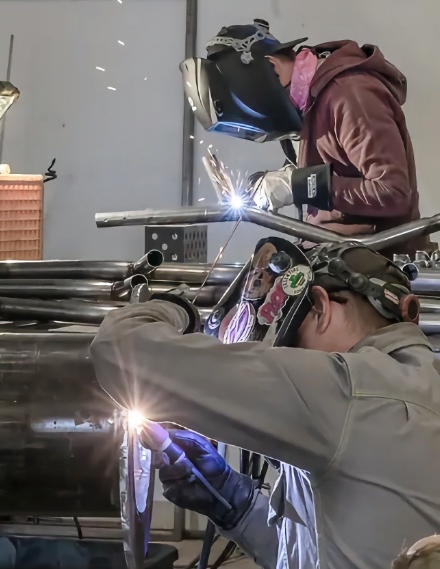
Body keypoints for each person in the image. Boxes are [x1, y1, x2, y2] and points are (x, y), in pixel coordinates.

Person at [90, 241, 440, 569]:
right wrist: (232, 502)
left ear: (319, 306)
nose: (291, 355)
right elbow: (320, 552)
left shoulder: (346, 387)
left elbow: (119, 351)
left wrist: (179, 307)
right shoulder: (419, 384)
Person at [181, 19, 434, 257]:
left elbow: (393, 192)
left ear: (271, 67)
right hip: (332, 252)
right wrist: (262, 186)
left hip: (376, 260)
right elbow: (335, 166)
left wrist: (298, 185)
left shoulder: (349, 95)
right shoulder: (308, 101)